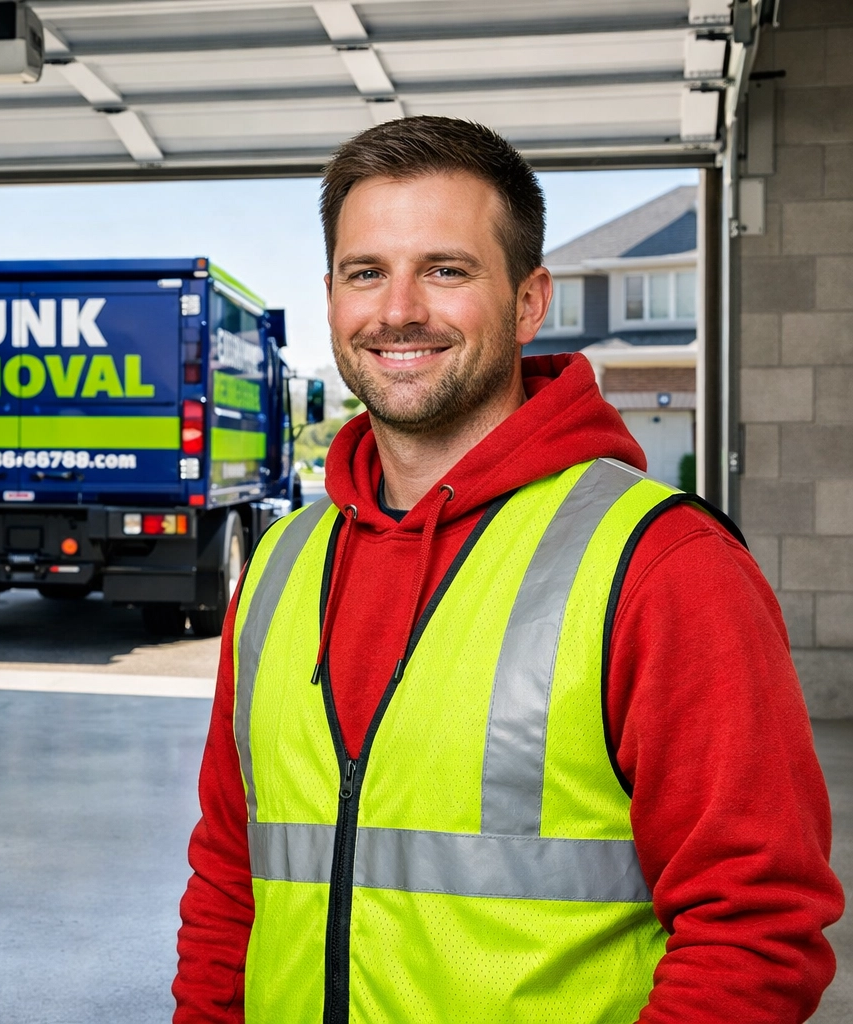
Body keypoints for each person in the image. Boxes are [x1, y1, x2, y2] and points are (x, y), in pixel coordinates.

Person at [172, 116, 842, 1023]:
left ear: (530, 303)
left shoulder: (663, 565)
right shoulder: (282, 565)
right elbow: (229, 874)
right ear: (330, 297)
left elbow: (755, 928)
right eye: (366, 273)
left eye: (446, 270)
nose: (399, 309)